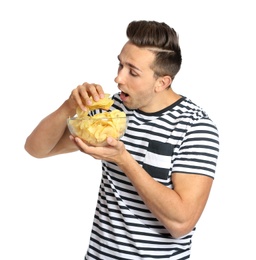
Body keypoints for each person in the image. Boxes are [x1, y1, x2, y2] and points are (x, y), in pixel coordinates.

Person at [24, 20, 219, 259]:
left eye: (132, 72)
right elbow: (37, 149)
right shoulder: (113, 110)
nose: (118, 78)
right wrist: (69, 107)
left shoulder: (195, 127)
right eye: (120, 64)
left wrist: (123, 160)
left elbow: (181, 224)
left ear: (162, 82)